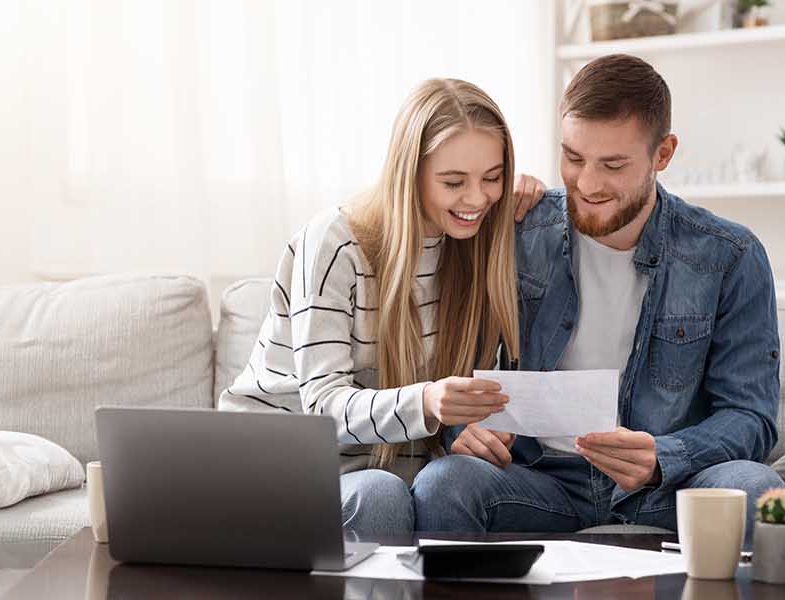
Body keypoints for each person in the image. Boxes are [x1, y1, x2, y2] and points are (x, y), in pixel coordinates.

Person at [413, 54, 785, 538]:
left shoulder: (730, 256)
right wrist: (467, 432)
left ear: (663, 154)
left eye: (613, 165)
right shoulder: (517, 230)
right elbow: (454, 361)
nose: (587, 184)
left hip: (666, 487)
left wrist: (662, 458)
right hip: (539, 481)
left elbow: (751, 417)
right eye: (573, 158)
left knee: (755, 487)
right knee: (444, 483)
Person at [218, 78, 546, 541]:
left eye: (492, 178)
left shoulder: (475, 249)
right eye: (454, 182)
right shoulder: (335, 241)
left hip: (390, 469)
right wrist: (429, 401)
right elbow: (322, 408)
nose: (476, 199)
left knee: (432, 486)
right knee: (379, 496)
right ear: (409, 173)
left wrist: (463, 430)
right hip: (280, 464)